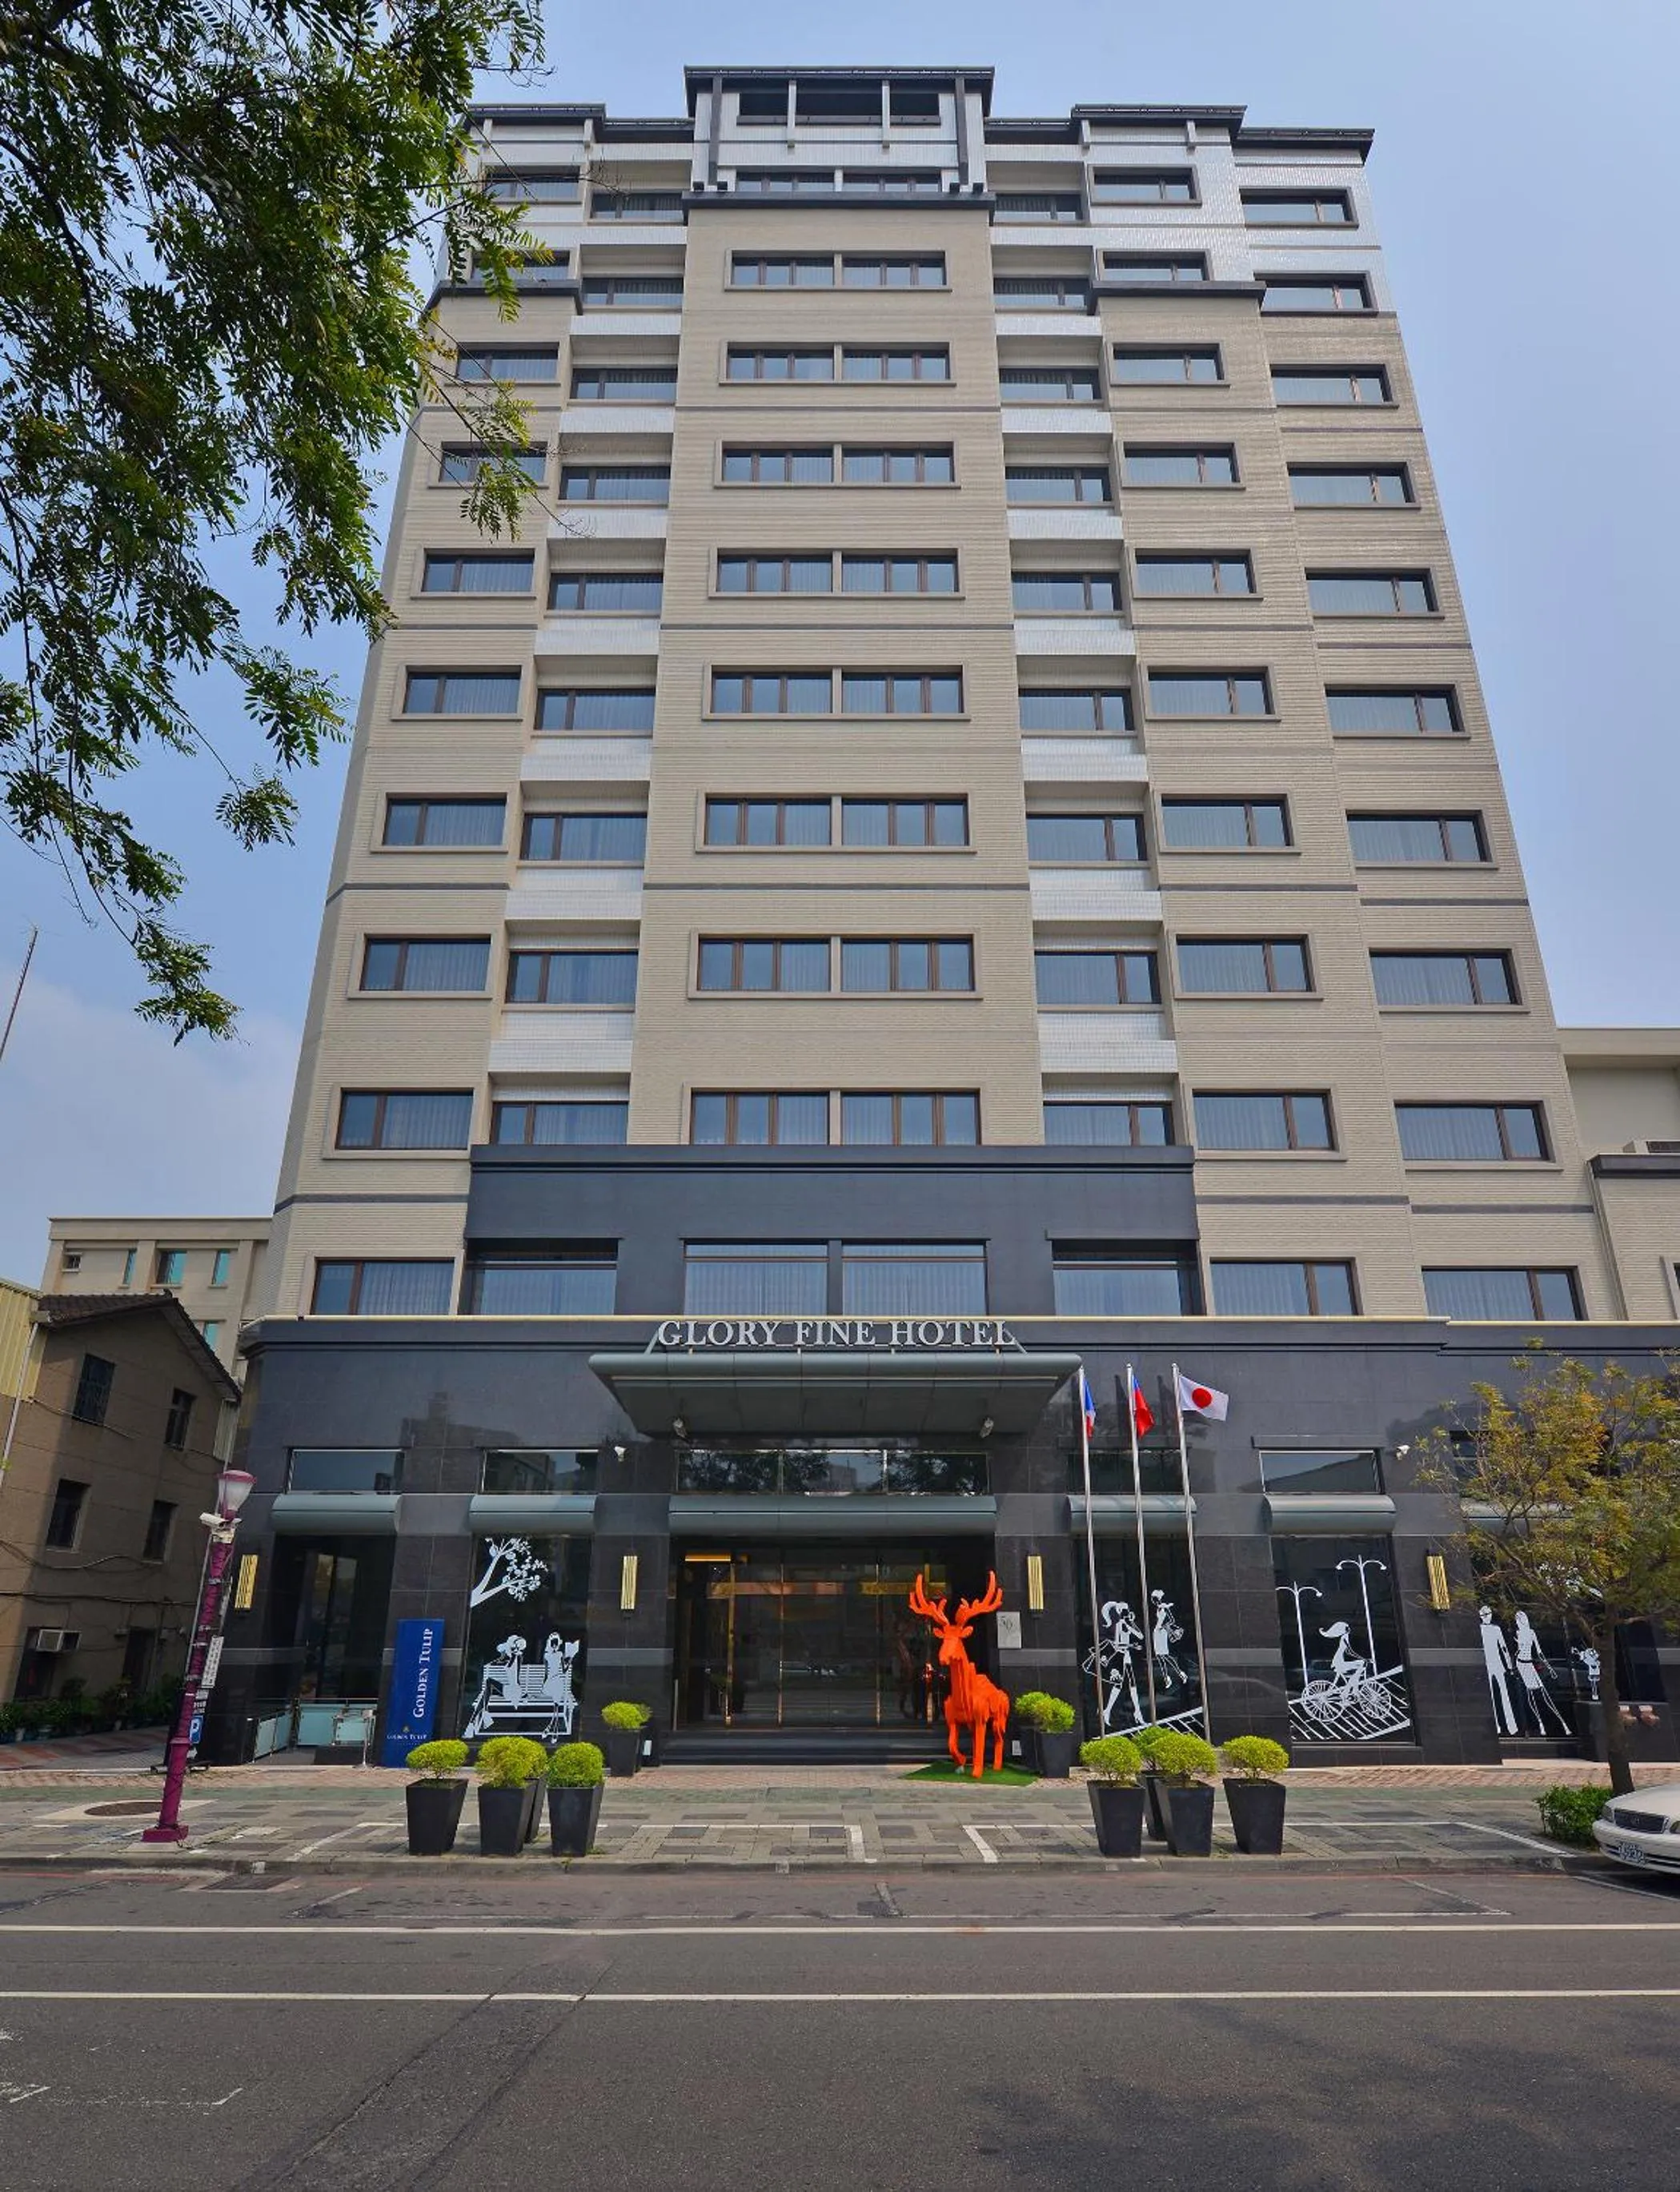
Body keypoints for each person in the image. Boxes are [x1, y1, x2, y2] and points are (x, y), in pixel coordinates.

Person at [1512, 1612, 1571, 1734]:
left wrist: (1549, 1668)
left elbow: (1539, 1651)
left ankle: (1562, 1724)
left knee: (1543, 1693)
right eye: (1517, 1619)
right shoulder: (1518, 1633)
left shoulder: (1531, 1632)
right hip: (1521, 1664)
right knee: (1531, 1695)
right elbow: (1518, 1651)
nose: (1518, 1622)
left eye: (1520, 1619)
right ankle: (1540, 1724)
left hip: (1529, 1663)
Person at [1478, 1605, 1517, 1735]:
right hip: (1487, 1664)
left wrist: (1509, 1665)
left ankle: (1511, 1725)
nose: (1487, 1617)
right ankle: (1496, 1725)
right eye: (1484, 1615)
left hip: (1498, 1664)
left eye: (1488, 1614)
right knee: (1491, 1696)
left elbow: (1503, 1647)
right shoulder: (1479, 1630)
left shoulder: (1496, 1629)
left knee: (1504, 1694)